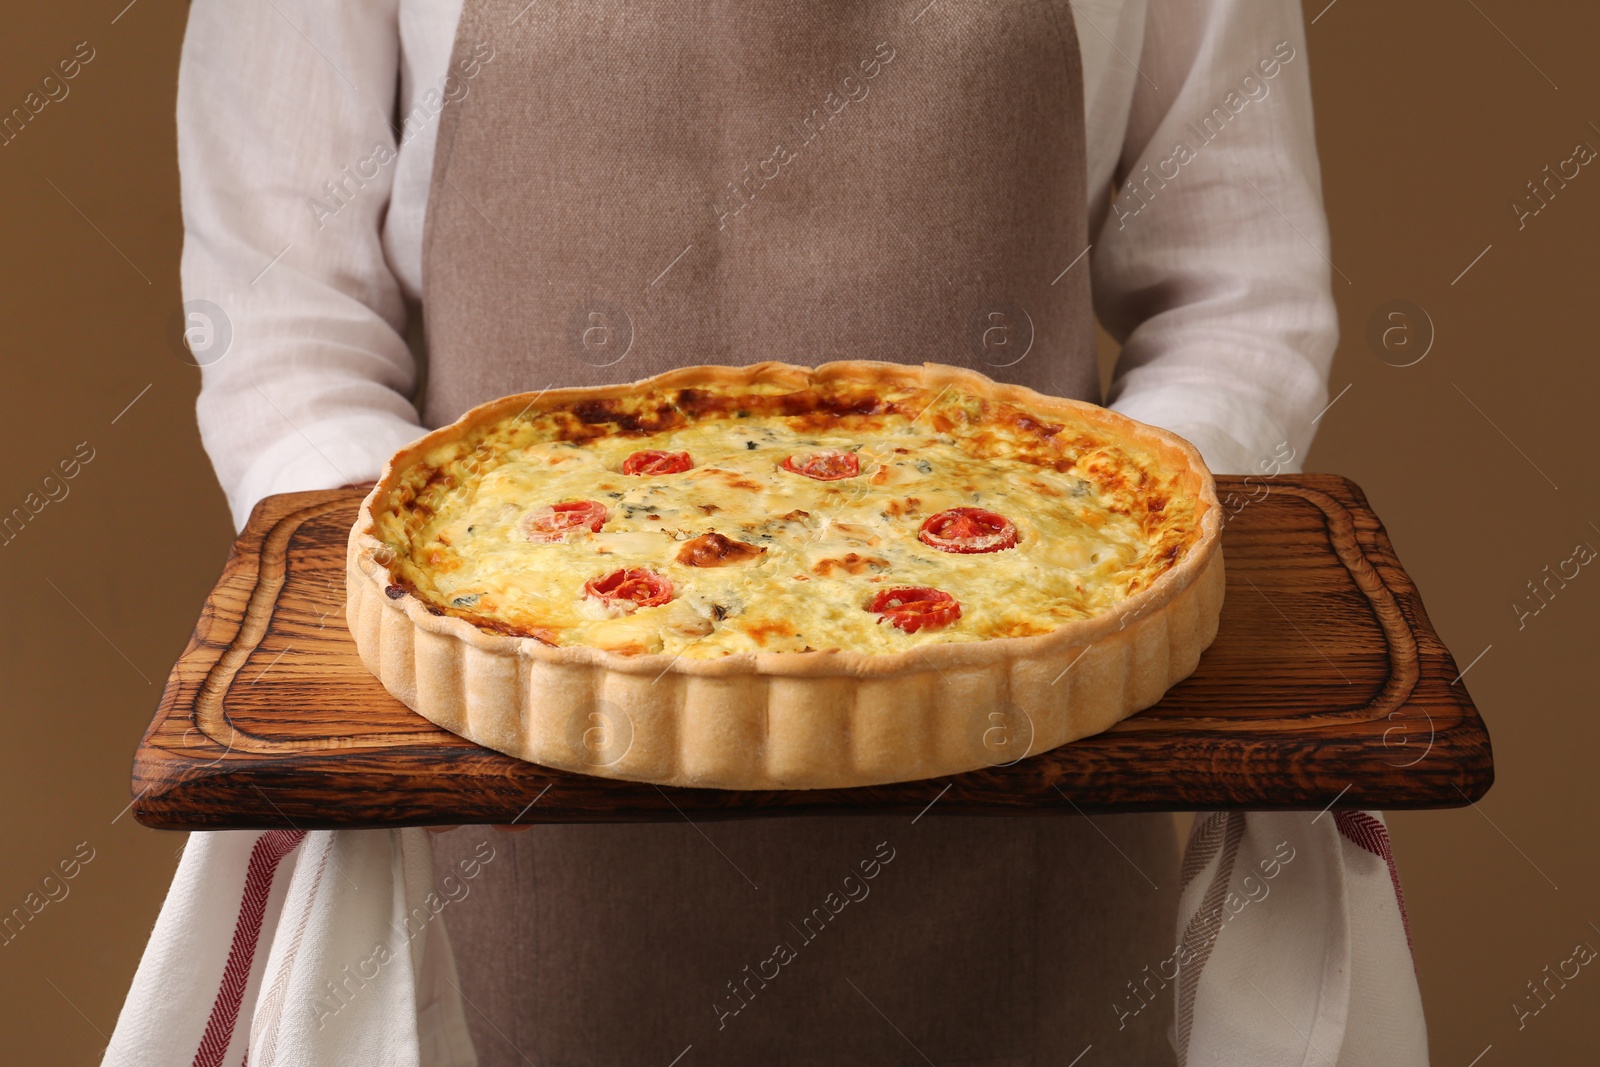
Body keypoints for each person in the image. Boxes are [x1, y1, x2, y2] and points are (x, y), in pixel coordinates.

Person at [110, 1, 1425, 1064]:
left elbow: (1242, 301)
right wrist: (480, 617)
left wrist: (1091, 581)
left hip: (1030, 768)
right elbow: (285, 326)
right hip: (505, 801)